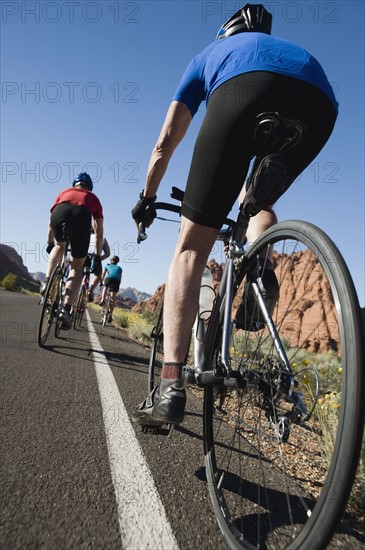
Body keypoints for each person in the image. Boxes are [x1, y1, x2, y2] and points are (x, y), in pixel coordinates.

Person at [131, 3, 338, 427]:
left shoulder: (211, 53)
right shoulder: (286, 47)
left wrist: (146, 198)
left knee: (189, 249)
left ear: (226, 30)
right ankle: (259, 263)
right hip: (319, 102)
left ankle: (170, 385)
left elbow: (165, 141)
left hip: (244, 90)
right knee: (255, 199)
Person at [40, 172, 104, 329]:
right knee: (76, 268)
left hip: (59, 212)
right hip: (81, 216)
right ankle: (66, 309)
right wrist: (96, 255)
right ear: (89, 187)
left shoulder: (64, 192)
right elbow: (99, 231)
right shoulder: (93, 198)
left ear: (75, 184)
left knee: (59, 246)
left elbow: (50, 223)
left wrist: (49, 242)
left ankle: (46, 282)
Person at [84, 228, 111, 302]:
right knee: (98, 275)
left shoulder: (83, 234)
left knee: (77, 274)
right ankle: (91, 290)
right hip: (95, 258)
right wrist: (100, 259)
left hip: (83, 257)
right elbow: (108, 253)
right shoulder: (102, 238)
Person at [99, 256, 123, 321]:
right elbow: (120, 277)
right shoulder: (120, 268)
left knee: (105, 287)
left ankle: (102, 300)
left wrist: (101, 282)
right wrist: (118, 284)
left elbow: (103, 275)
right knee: (113, 298)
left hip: (108, 279)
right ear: (117, 262)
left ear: (111, 260)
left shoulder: (107, 266)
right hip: (116, 281)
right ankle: (110, 314)